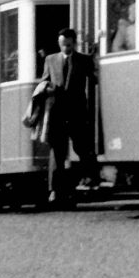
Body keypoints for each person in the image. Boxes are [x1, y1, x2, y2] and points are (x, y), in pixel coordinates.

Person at [38, 28, 99, 205]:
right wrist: (46, 89)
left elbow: (94, 80)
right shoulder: (50, 60)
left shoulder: (84, 60)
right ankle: (55, 190)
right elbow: (44, 81)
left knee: (82, 148)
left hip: (77, 111)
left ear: (74, 43)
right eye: (63, 44)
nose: (66, 47)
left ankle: (88, 180)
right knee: (57, 151)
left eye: (69, 44)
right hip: (57, 112)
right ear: (59, 43)